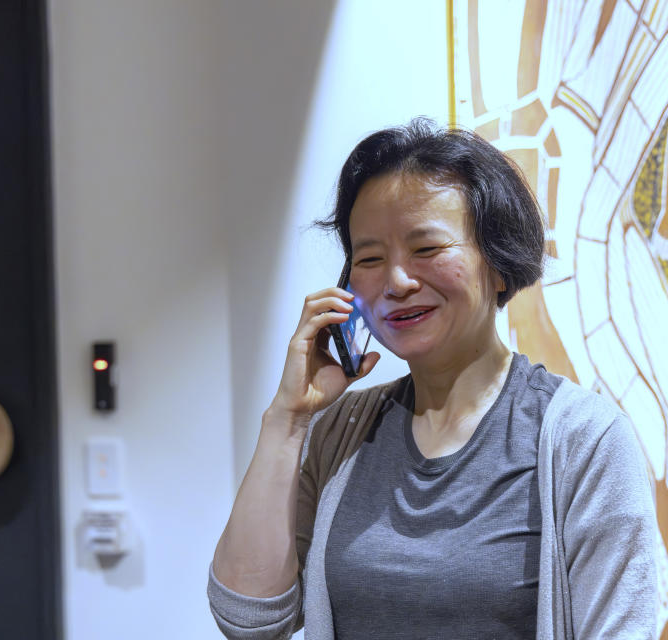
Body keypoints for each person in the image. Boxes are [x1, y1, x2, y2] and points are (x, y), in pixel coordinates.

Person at [208, 119, 657, 639]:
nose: (397, 282)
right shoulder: (343, 432)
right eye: (370, 258)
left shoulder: (585, 440)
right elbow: (249, 619)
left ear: (499, 264)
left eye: (426, 249)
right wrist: (287, 421)